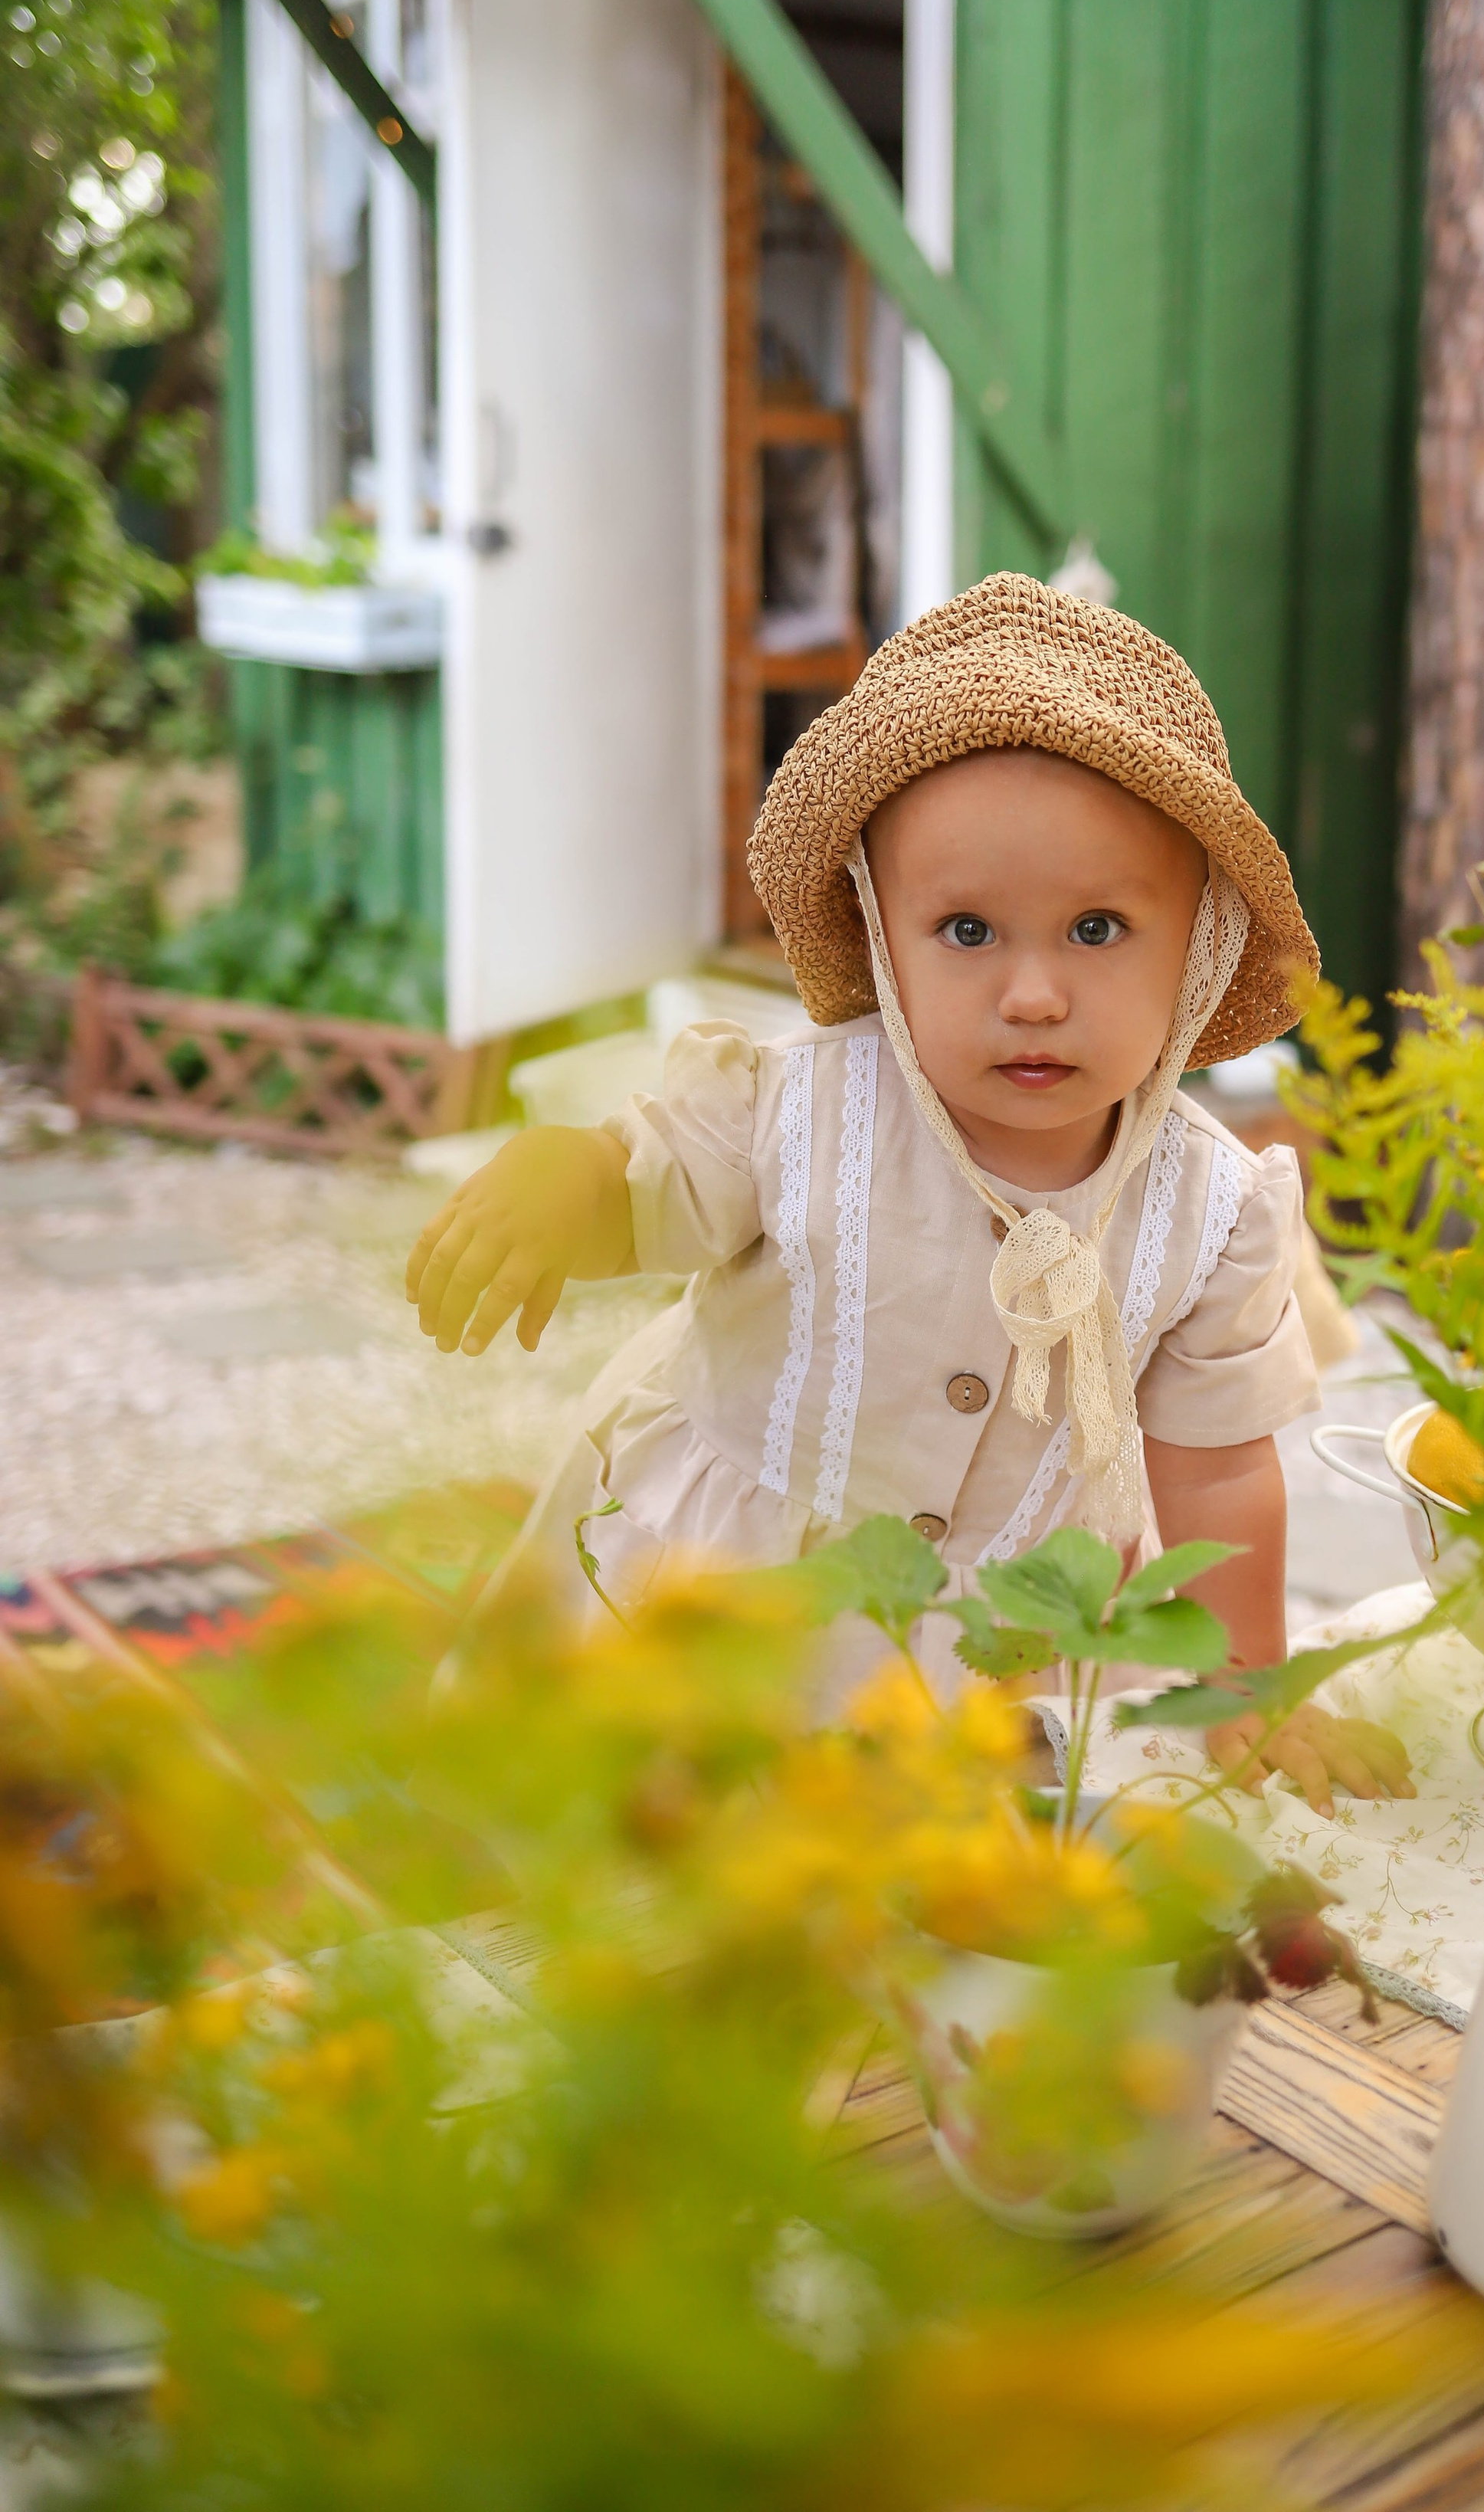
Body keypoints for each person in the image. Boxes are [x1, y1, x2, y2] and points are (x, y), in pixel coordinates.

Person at [407, 575, 1412, 1816]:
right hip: (723, 1594)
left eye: (1097, 931)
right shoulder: (796, 1109)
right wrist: (571, 1176)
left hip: (983, 1647)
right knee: (646, 1866)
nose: (1033, 994)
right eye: (968, 931)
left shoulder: (1213, 1210)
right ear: (883, 936)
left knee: (920, 1901)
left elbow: (1216, 1472)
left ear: (1197, 946)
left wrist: (1250, 1686)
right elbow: (649, 1181)